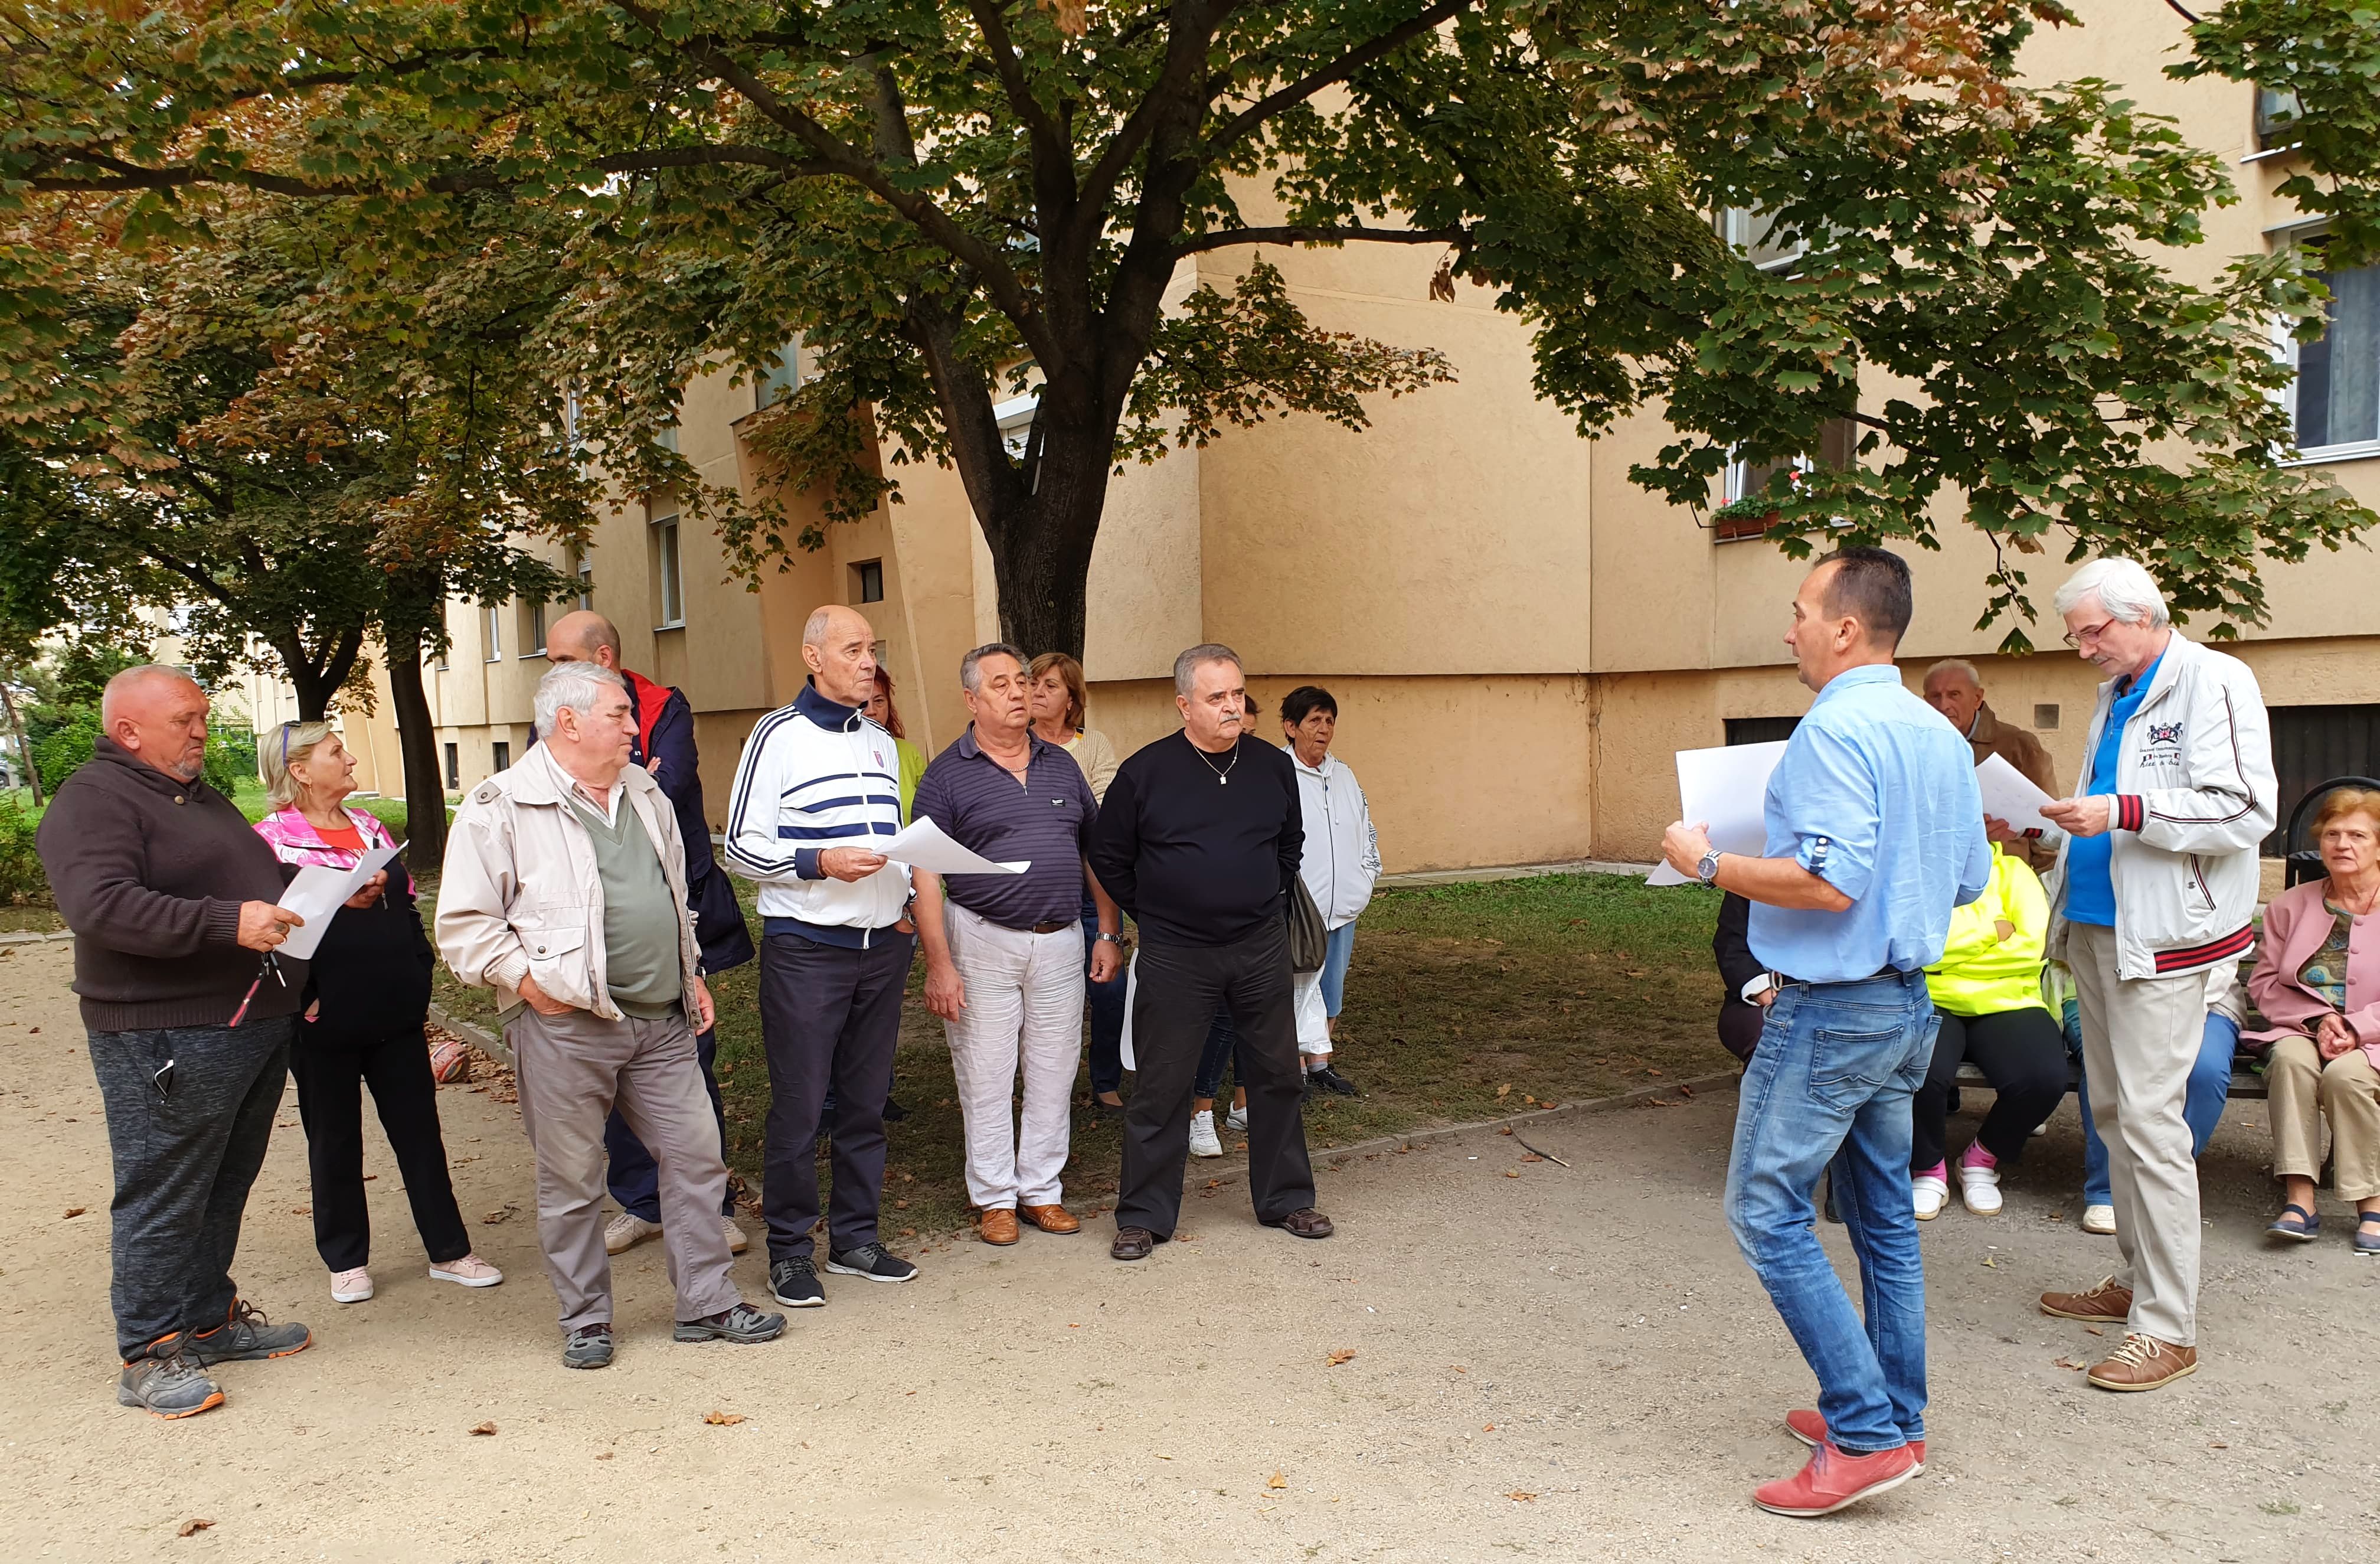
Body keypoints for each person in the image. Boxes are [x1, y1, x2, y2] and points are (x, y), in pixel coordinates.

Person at [1661, 548, 1989, 1517]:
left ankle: (1863, 1431)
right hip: (1905, 1007)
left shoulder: (1829, 733)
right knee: (1883, 1214)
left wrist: (1709, 860)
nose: (1789, 625)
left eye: (1801, 608)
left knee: (1765, 1211)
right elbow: (1967, 879)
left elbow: (1827, 880)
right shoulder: (1937, 733)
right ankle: (1897, 1411)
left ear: (1846, 627)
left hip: (1833, 1010)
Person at [437, 662, 785, 1367]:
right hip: (565, 1025)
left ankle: (708, 1303)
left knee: (697, 1161)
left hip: (661, 1020)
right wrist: (529, 987)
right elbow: (465, 925)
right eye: (621, 715)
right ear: (568, 722)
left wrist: (690, 971)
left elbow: (672, 892)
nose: (635, 727)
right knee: (571, 1181)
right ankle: (586, 1319)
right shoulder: (500, 804)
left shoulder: (645, 791)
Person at [36, 665, 322, 1418]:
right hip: (166, 1030)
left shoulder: (192, 795)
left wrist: (317, 884)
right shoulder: (93, 802)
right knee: (163, 1190)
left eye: (202, 716)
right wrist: (226, 923)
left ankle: (208, 1318)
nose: (202, 730)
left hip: (248, 1020)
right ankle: (151, 1351)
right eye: (186, 719)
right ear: (128, 731)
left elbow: (237, 876)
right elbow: (101, 907)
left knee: (225, 1179)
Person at [2034, 556, 2274, 1393]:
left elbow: (2249, 809)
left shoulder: (2216, 679)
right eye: (2076, 635)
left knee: (2151, 1122)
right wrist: (2058, 837)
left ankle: (2168, 1326)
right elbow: (2106, 805)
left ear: (2145, 615)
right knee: (2111, 1112)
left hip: (2170, 941)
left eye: (2093, 631)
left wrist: (2124, 811)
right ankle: (2134, 1280)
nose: (2084, 648)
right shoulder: (2117, 692)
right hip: (2102, 928)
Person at [1089, 644, 1333, 1261]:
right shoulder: (1147, 772)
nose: (1232, 708)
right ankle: (1144, 1214)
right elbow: (1109, 856)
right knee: (1163, 1083)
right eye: (1216, 697)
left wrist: (1264, 900)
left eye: (1236, 695)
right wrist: (1159, 909)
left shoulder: (1270, 767)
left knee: (1276, 1075)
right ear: (1184, 705)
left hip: (1258, 946)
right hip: (1178, 952)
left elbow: (1289, 843)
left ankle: (1286, 1199)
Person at [254, 722, 502, 1302]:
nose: (349, 758)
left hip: (393, 1012)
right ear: (299, 770)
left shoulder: (368, 828)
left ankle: (450, 1251)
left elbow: (407, 907)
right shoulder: (268, 842)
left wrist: (418, 974)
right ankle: (346, 1260)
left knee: (420, 1134)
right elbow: (271, 935)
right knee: (334, 1139)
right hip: (321, 1020)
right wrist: (303, 997)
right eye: (335, 752)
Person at [540, 611, 757, 1262]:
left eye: (560, 659)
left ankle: (711, 1209)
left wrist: (616, 776)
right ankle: (642, 1203)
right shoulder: (557, 715)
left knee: (691, 1067)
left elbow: (665, 784)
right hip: (590, 931)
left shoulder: (665, 705)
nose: (550, 671)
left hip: (676, 915)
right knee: (609, 1070)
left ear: (603, 657)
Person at [722, 606, 921, 1308]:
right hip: (808, 951)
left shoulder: (877, 739)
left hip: (881, 951)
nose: (869, 662)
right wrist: (818, 861)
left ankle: (857, 1239)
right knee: (802, 1109)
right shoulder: (776, 735)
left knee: (865, 1105)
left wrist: (901, 901)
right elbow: (740, 849)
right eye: (853, 649)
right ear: (814, 657)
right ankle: (789, 1249)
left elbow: (890, 839)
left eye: (873, 649)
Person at [911, 644, 1123, 1245]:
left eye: (1023, 681)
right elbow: (925, 874)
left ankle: (1041, 1191)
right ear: (972, 700)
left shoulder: (1061, 766)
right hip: (981, 939)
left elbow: (1094, 853)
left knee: (1055, 1069)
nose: (1017, 692)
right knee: (986, 1071)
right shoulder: (947, 773)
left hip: (1061, 941)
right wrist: (939, 965)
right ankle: (996, 1197)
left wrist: (1107, 929)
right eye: (1000, 684)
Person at [2246, 786, 2380, 1255]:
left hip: (2374, 1037)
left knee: (2346, 1076)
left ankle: (2371, 1201)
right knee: (2290, 1063)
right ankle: (2300, 1199)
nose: (2343, 844)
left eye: (2358, 835)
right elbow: (2263, 985)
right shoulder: (2290, 906)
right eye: (2333, 834)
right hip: (2301, 1026)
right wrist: (2320, 1017)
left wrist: (2357, 1028)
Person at [1909, 835, 2067, 1220]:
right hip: (1932, 996)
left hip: (2009, 999)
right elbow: (1916, 947)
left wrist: (1949, 954)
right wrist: (1991, 933)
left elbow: (2031, 946)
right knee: (1918, 1068)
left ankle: (1981, 1158)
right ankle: (1927, 1166)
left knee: (2045, 1076)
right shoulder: (1917, 871)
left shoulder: (2015, 872)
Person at [2055, 963, 2243, 1236]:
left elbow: (2223, 952)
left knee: (2206, 1071)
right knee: (2113, 1062)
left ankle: (2166, 1181)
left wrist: (2173, 1014)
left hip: (2209, 997)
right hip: (2120, 992)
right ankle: (2107, 1189)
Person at [1029, 651, 1126, 1112]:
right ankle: (1047, 1085)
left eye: (1050, 686)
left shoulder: (1093, 743)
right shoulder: (1015, 744)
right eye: (1033, 684)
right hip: (1038, 893)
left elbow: (1103, 812)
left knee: (1108, 992)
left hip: (1094, 889)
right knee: (1047, 999)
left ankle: (1106, 1079)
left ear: (1072, 699)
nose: (1037, 693)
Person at [1280, 685, 1379, 1096]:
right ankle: (1294, 1069)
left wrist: (1366, 878)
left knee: (1331, 988)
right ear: (1291, 727)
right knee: (1292, 990)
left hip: (1344, 908)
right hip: (1301, 909)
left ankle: (1321, 1063)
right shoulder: (1277, 773)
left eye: (1329, 720)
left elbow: (1365, 831)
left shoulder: (1345, 775)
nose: (1323, 729)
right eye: (1314, 721)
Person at [1923, 658, 2058, 873]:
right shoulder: (1918, 747)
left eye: (1954, 695)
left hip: (2005, 879)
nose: (1943, 705)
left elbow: (2048, 822)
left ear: (1977, 699)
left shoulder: (2018, 744)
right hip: (1942, 876)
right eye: (1935, 696)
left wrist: (2047, 885)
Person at [865, 665, 929, 824]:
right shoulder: (836, 755)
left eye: (879, 701)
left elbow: (932, 810)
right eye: (861, 704)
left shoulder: (908, 752)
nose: (871, 711)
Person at [1712, 893, 1768, 1065]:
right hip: (1762, 998)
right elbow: (1732, 945)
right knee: (1772, 1040)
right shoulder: (1750, 877)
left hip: (1841, 998)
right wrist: (1762, 989)